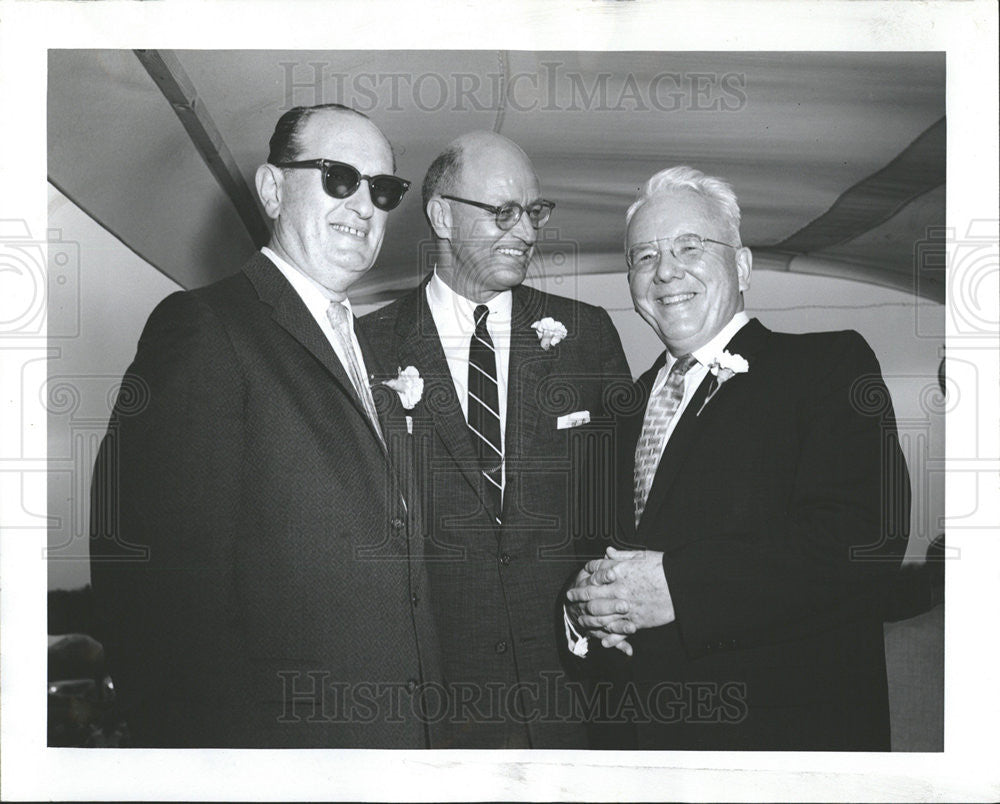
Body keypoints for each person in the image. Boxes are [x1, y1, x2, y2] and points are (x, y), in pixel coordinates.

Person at [89, 104, 441, 748]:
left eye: (383, 189)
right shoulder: (204, 330)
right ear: (273, 190)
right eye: (339, 177)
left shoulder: (376, 351)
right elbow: (156, 608)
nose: (365, 205)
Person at [566, 166, 910, 750]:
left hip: (780, 746)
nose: (666, 270)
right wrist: (582, 612)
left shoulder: (829, 368)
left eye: (689, 247)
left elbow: (863, 538)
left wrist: (681, 587)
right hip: (634, 751)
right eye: (643, 257)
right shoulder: (615, 412)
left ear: (744, 265)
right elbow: (590, 561)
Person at [359, 131, 631, 748]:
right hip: (439, 709)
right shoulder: (368, 347)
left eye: (534, 212)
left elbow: (622, 505)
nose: (527, 232)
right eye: (503, 212)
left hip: (577, 698)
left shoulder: (588, 335)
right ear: (441, 216)